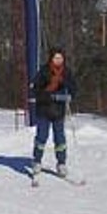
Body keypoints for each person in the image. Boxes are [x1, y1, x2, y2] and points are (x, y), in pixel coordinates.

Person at [31, 47, 78, 176]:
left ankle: (61, 163)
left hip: (59, 111)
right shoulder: (44, 71)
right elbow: (35, 89)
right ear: (51, 58)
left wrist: (70, 95)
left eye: (60, 58)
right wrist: (47, 96)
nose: (58, 60)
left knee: (60, 138)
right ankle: (37, 161)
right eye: (56, 58)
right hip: (44, 110)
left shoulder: (66, 73)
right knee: (41, 137)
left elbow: (74, 87)